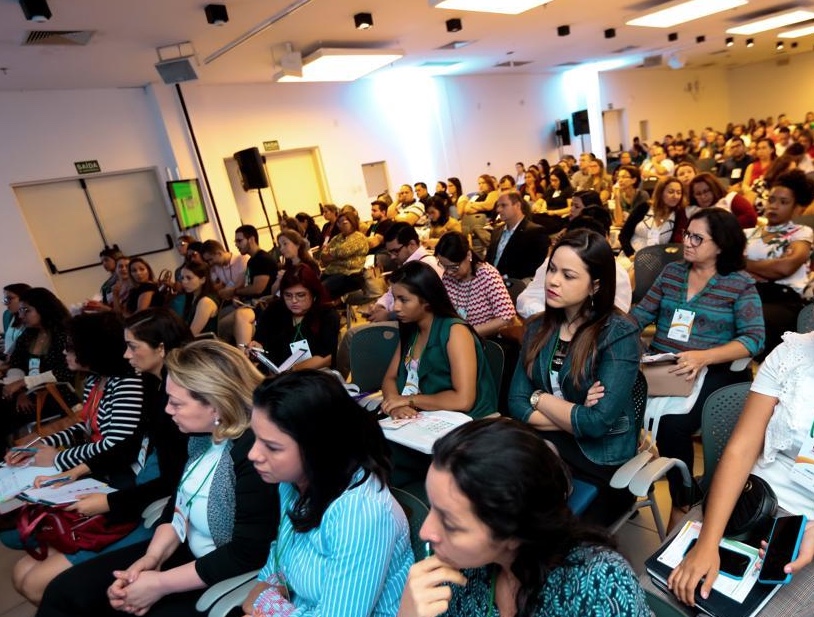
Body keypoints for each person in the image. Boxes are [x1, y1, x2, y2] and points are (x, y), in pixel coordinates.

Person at [36, 339, 279, 617]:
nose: (167, 410)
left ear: (216, 404)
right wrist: (151, 560)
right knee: (66, 591)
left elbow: (246, 553)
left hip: (224, 569)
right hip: (186, 551)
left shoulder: (255, 456)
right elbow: (177, 505)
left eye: (176, 403)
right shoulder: (202, 439)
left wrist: (160, 584)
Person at [398, 418, 650, 617]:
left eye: (450, 524)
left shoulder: (599, 586)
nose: (425, 532)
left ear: (515, 531)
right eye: (432, 507)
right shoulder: (457, 575)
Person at [633, 208, 765, 527]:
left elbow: (754, 339)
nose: (686, 242)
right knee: (618, 407)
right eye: (685, 234)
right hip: (664, 365)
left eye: (696, 237)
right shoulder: (673, 274)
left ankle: (683, 497)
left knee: (673, 424)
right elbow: (639, 316)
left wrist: (702, 357)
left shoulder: (739, 284)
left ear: (720, 245)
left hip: (714, 368)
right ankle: (623, 491)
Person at [242, 370, 413, 616]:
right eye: (255, 438)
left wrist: (271, 607)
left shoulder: (362, 515)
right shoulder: (293, 483)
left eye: (272, 447)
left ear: (318, 448)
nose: (253, 455)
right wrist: (268, 601)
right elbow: (274, 569)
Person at [666, 331, 814, 611]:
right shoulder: (792, 353)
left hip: (808, 527)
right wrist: (708, 542)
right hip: (754, 499)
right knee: (661, 589)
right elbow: (741, 449)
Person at [8, 312, 145, 604]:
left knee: (32, 580)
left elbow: (115, 447)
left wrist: (58, 459)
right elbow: (85, 426)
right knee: (21, 573)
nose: (64, 351)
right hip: (98, 474)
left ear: (93, 349)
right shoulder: (101, 380)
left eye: (71, 346)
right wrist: (39, 445)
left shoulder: (127, 384)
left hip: (117, 482)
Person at [508, 229, 640, 525]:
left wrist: (538, 398)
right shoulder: (537, 327)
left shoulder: (619, 333)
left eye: (568, 275)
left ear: (594, 285)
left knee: (533, 518)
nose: (553, 281)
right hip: (544, 443)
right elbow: (516, 403)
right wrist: (574, 414)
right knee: (498, 496)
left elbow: (596, 425)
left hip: (598, 460)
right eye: (552, 269)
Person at [381, 261, 497, 422]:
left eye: (404, 300)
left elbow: (463, 400)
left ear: (427, 300)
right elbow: (390, 378)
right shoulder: (411, 328)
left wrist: (408, 400)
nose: (396, 307)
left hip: (463, 421)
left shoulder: (455, 332)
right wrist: (396, 405)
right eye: (394, 299)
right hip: (419, 416)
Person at [745, 169, 814, 358]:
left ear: (796, 208)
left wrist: (745, 262)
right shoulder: (750, 233)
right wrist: (768, 267)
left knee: (755, 319)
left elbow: (784, 267)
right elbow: (730, 265)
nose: (774, 206)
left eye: (783, 202)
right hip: (749, 294)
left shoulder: (801, 232)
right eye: (772, 199)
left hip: (783, 300)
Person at [1, 288, 76, 441]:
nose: (21, 316)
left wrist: (23, 383)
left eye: (26, 310)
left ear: (43, 308)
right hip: (27, 393)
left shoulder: (63, 334)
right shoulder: (28, 334)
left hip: (54, 393)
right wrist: (21, 391)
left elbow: (64, 372)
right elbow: (16, 363)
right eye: (21, 310)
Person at [250, 265, 339, 371]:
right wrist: (256, 346)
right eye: (288, 295)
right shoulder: (274, 309)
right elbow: (260, 340)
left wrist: (293, 370)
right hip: (273, 373)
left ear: (314, 294)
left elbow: (327, 357)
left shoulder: (327, 315)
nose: (294, 301)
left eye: (300, 295)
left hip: (313, 374)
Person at [435, 232, 516, 338]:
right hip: (456, 337)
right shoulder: (448, 277)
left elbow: (506, 317)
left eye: (454, 267)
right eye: (444, 266)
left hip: (483, 339)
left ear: (468, 255)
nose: (449, 272)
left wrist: (469, 333)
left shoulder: (487, 275)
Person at [485, 191, 550, 281]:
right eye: (498, 206)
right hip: (492, 282)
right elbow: (488, 260)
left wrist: (504, 277)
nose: (498, 210)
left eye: (503, 205)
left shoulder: (535, 232)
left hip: (515, 283)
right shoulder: (496, 231)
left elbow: (534, 265)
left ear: (517, 205)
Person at [619, 176, 686, 261]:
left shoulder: (679, 215)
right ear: (660, 192)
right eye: (671, 192)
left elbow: (675, 246)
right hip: (630, 256)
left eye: (679, 192)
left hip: (657, 261)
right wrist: (631, 254)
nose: (675, 196)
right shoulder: (644, 207)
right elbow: (623, 235)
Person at [319, 210, 368, 298]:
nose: (341, 224)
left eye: (344, 222)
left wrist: (332, 254)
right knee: (313, 287)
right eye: (339, 222)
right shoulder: (337, 238)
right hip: (331, 271)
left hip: (348, 273)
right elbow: (323, 255)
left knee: (321, 290)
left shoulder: (358, 237)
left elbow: (343, 251)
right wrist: (333, 255)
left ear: (352, 222)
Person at [686, 172, 757, 228]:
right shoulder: (691, 210)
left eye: (706, 191)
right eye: (698, 194)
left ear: (714, 188)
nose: (703, 197)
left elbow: (751, 217)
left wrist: (723, 229)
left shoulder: (730, 198)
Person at [458, 174, 498, 258]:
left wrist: (473, 205)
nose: (481, 185)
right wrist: (480, 206)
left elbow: (488, 205)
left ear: (489, 183)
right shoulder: (477, 195)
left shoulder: (493, 193)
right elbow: (467, 209)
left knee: (476, 227)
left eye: (483, 183)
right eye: (479, 183)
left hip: (486, 223)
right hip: (471, 223)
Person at [178, 261, 219, 336]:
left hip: (205, 344)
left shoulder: (205, 301)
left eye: (189, 278)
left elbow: (192, 334)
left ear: (202, 280)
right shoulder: (192, 297)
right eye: (182, 278)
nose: (184, 282)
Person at [2, 283, 31, 359]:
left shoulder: (33, 321)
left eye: (8, 299)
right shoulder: (9, 316)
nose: (6, 303)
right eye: (5, 300)